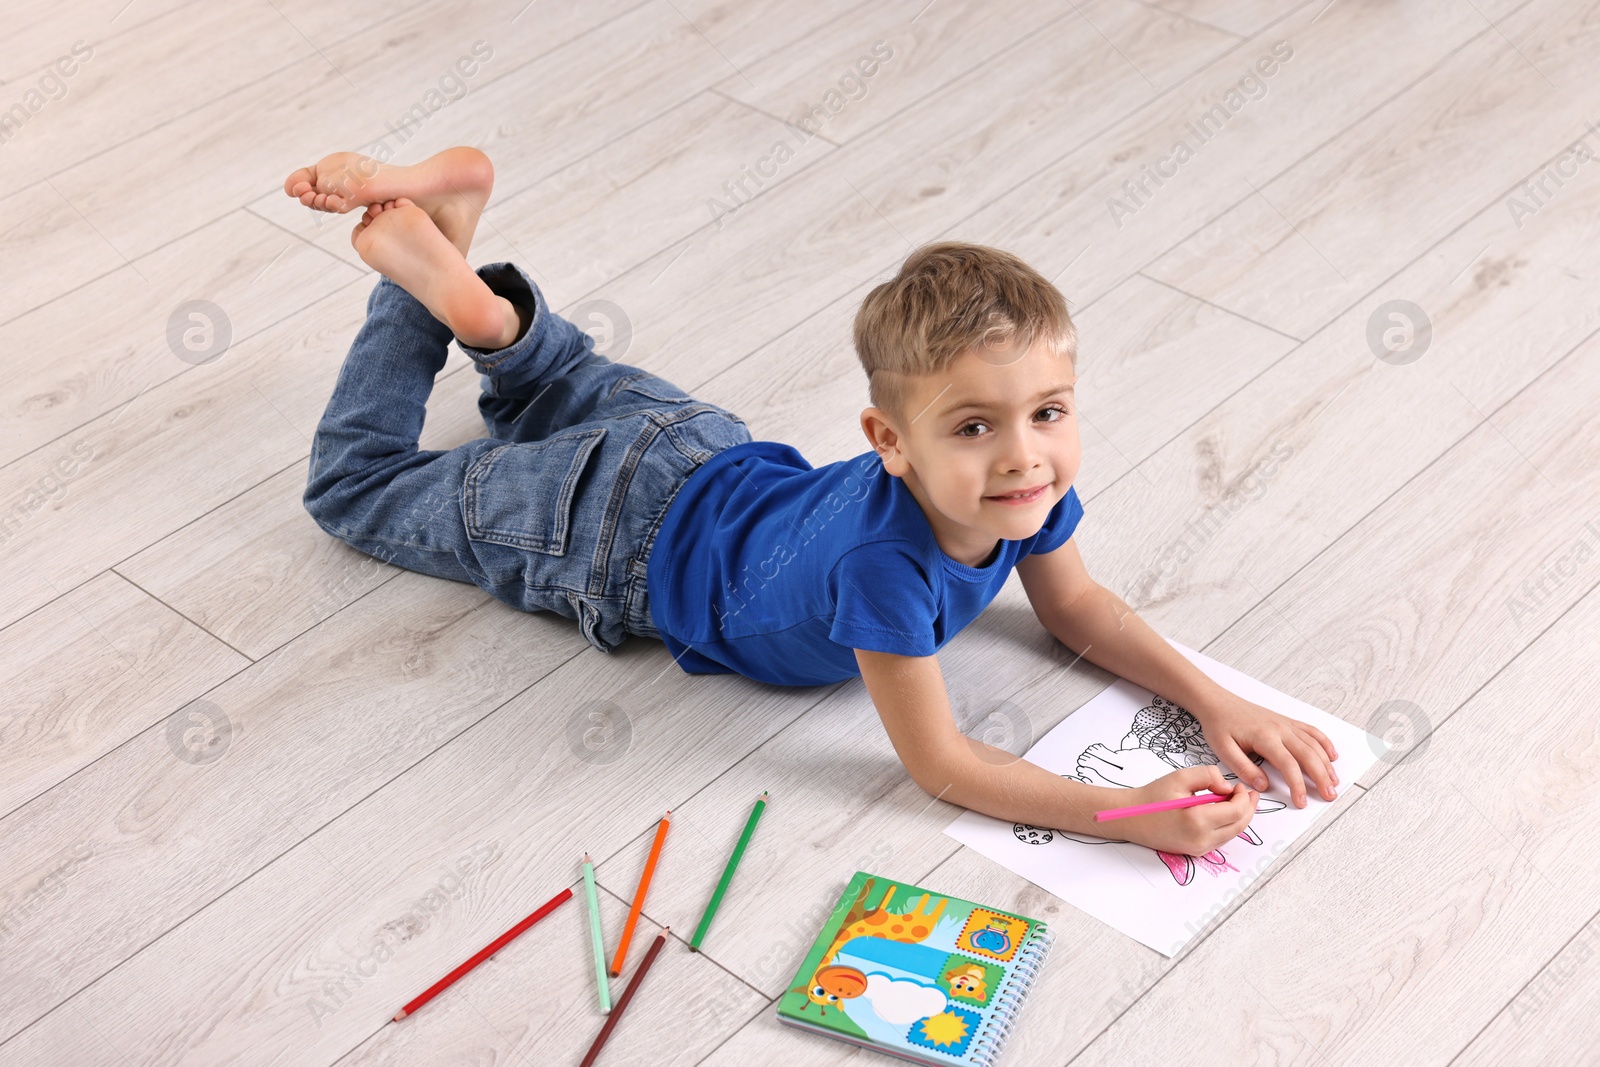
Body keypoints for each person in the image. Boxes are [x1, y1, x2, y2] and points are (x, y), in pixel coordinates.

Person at [287, 146, 1339, 860]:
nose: (1026, 456)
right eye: (974, 426)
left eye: (1049, 411)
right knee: (357, 485)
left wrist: (1217, 700)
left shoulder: (1027, 493)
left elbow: (1076, 609)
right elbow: (940, 761)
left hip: (697, 448)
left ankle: (468, 282)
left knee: (557, 382)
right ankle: (412, 283)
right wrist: (1124, 813)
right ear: (887, 440)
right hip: (606, 532)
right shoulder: (885, 569)